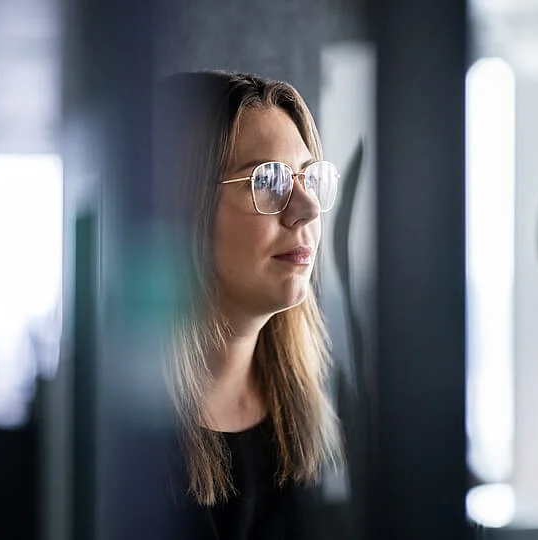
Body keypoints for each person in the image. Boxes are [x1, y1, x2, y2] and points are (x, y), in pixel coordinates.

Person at [152, 70, 349, 539]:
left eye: (308, 178)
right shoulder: (71, 432)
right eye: (270, 180)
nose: (307, 208)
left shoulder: (323, 414)